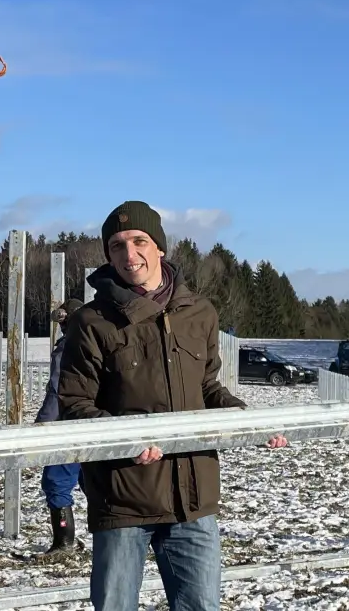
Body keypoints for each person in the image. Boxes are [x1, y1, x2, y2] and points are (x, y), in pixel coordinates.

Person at [58, 201, 287, 611]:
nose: (129, 254)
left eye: (139, 241)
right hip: (123, 496)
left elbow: (207, 387)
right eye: (117, 246)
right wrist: (126, 440)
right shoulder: (91, 322)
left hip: (192, 498)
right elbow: (74, 404)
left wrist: (249, 421)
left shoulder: (199, 313)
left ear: (160, 246)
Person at [34, 297, 84, 555]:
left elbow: (57, 391)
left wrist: (43, 425)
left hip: (67, 426)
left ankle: (64, 542)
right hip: (94, 424)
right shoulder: (98, 344)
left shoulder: (68, 349)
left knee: (57, 481)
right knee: (94, 482)